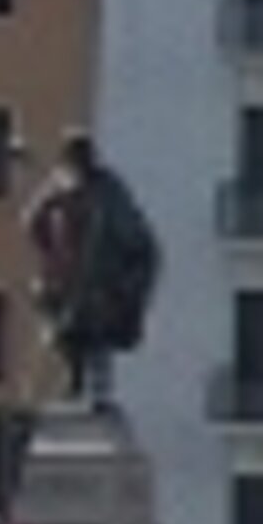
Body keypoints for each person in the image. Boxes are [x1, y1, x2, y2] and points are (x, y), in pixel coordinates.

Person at [19, 129, 163, 409]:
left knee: (96, 334)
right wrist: (49, 205)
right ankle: (74, 382)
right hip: (66, 275)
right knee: (65, 333)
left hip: (99, 276)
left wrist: (125, 278)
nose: (79, 161)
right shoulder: (59, 186)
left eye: (82, 154)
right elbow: (32, 223)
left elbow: (133, 234)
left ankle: (98, 390)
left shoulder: (108, 190)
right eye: (74, 155)